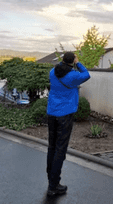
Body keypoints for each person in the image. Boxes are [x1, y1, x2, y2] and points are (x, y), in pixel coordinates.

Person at [46, 52, 90, 196]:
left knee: (52, 147)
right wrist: (78, 63)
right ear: (73, 61)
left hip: (52, 112)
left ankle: (50, 180)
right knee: (60, 149)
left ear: (63, 60)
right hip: (65, 114)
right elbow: (87, 74)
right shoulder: (73, 76)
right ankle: (54, 185)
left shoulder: (53, 72)